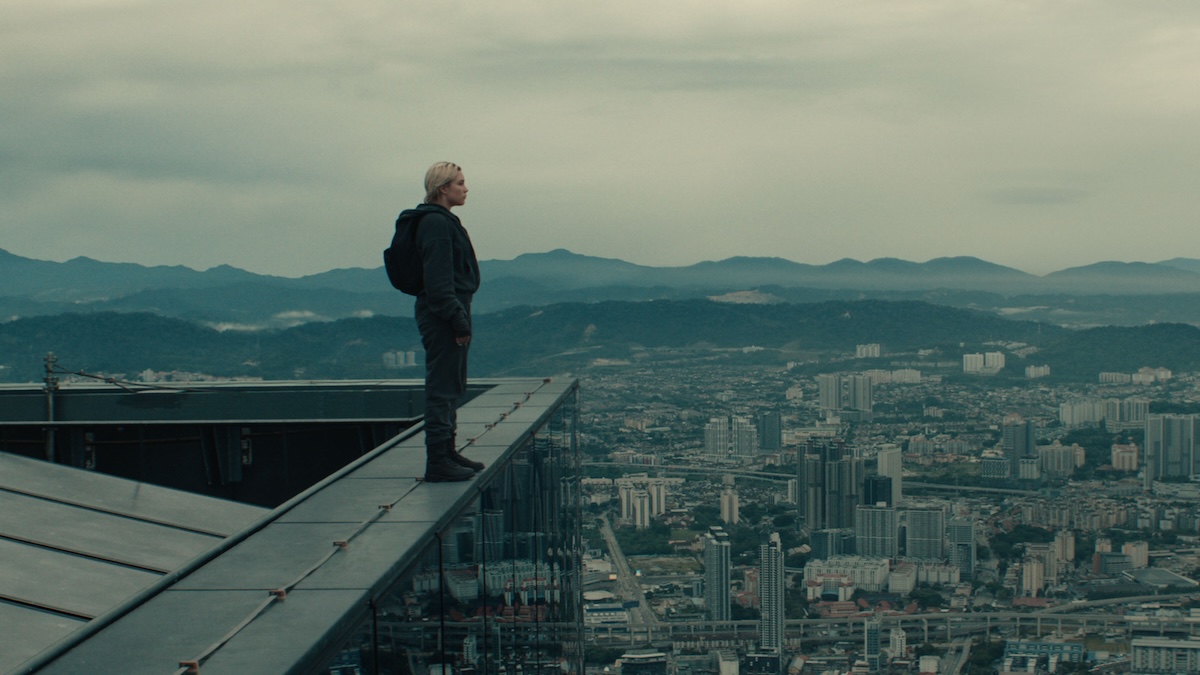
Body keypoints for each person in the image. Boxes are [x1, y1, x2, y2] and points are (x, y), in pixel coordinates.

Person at [410, 161, 483, 482]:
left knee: (451, 384)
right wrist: (459, 321)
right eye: (460, 183)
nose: (466, 188)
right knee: (442, 386)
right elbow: (439, 284)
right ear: (443, 188)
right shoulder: (436, 225)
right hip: (444, 316)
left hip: (446, 313)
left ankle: (447, 452)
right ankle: (438, 459)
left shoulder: (440, 222)